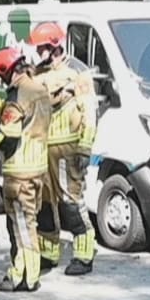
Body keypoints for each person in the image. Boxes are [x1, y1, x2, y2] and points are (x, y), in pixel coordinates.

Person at [29, 21, 99, 276]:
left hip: (68, 149)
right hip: (42, 148)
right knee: (45, 203)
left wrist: (85, 148)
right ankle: (49, 252)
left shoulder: (77, 71)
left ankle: (84, 253)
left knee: (71, 202)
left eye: (42, 47)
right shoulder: (37, 72)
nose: (38, 52)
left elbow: (90, 111)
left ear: (54, 45)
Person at [0, 45, 54, 293]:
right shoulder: (39, 89)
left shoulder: (17, 96)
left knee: (22, 226)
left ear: (7, 71)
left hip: (19, 171)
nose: (2, 82)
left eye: (1, 77)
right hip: (38, 168)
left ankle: (26, 277)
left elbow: (10, 135)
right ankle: (24, 272)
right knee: (28, 221)